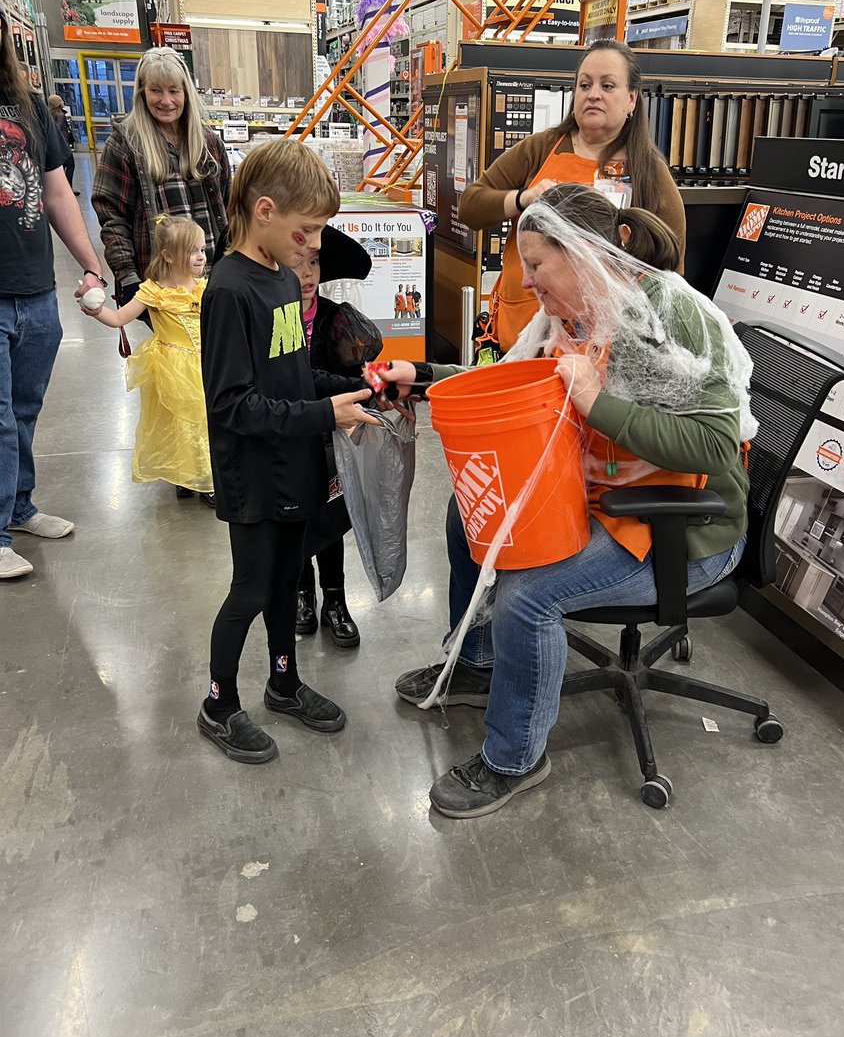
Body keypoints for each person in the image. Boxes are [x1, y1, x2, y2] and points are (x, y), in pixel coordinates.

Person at [383, 184, 755, 817]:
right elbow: (517, 378)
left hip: (684, 524)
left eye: (536, 264)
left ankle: (514, 758)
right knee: (469, 516)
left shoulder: (670, 315)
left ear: (583, 253)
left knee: (528, 597)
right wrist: (423, 378)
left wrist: (594, 403)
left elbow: (716, 447)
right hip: (607, 498)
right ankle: (479, 663)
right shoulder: (572, 311)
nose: (526, 281)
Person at [197, 138, 381, 765]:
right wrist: (325, 414)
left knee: (283, 584)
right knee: (250, 591)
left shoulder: (281, 280)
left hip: (293, 467)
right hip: (251, 477)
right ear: (265, 211)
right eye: (309, 230)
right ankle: (219, 704)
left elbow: (295, 376)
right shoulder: (229, 290)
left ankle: (283, 682)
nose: (315, 246)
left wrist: (360, 388)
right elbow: (233, 405)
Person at [458, 39, 687, 357]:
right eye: (584, 85)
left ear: (632, 99)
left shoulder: (649, 172)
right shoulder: (540, 149)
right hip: (521, 332)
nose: (593, 94)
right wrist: (523, 199)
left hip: (598, 349)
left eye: (608, 85)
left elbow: (671, 272)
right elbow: (470, 206)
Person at [0, 0, 107, 581]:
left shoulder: (30, 106)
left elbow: (58, 191)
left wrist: (91, 266)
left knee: (23, 408)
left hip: (36, 287)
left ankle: (18, 508)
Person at [285, 225, 380, 648]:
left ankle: (335, 601)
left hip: (331, 440)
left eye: (314, 262)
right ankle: (303, 593)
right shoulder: (270, 318)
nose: (307, 274)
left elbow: (351, 375)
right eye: (297, 263)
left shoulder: (335, 319)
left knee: (329, 522)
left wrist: (366, 392)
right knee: (297, 521)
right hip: (288, 436)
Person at [80, 214, 214, 505]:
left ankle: (203, 476)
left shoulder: (204, 287)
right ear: (168, 255)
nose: (201, 256)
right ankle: (186, 475)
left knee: (203, 421)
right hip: (172, 367)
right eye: (192, 251)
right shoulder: (154, 291)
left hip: (204, 364)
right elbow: (118, 318)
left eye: (202, 249)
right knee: (179, 421)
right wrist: (96, 310)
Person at [92, 46, 231, 308]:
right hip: (162, 286)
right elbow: (112, 217)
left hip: (214, 277)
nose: (166, 101)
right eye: (156, 90)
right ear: (142, 92)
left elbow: (229, 206)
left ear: (186, 93)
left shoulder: (209, 144)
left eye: (174, 91)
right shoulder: (124, 145)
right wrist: (127, 275)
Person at [47, 94, 79, 194]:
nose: (63, 102)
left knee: (61, 167)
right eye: (61, 101)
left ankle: (62, 188)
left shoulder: (50, 114)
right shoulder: (60, 115)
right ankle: (69, 187)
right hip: (63, 146)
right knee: (70, 165)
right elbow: (58, 129)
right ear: (57, 103)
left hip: (56, 147)